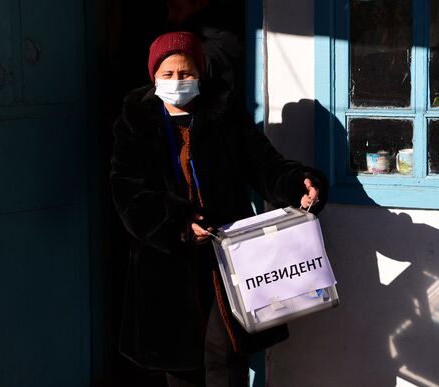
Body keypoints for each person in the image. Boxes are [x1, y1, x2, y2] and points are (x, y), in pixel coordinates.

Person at [110, 31, 328, 387]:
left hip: (230, 256)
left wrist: (296, 183)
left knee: (224, 354)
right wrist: (177, 223)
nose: (177, 82)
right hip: (166, 262)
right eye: (168, 75)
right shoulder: (135, 124)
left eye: (185, 73)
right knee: (182, 363)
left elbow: (264, 164)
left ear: (200, 72)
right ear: (154, 77)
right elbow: (127, 192)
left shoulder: (224, 115)